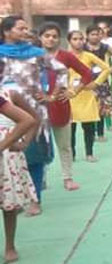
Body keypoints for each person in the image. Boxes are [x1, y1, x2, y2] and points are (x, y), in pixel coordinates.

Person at [0, 16, 68, 212]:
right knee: (8, 155)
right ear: (6, 31)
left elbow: (62, 71)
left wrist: (51, 95)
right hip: (5, 109)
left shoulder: (37, 53)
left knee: (33, 155)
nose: (25, 32)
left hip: (34, 109)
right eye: (20, 28)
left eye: (26, 28)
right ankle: (13, 198)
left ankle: (35, 199)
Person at [37, 23, 94, 192]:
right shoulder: (33, 56)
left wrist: (74, 91)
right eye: (47, 35)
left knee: (64, 145)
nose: (51, 39)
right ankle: (41, 179)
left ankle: (67, 178)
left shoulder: (66, 56)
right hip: (38, 107)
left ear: (59, 39)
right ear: (40, 37)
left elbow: (87, 73)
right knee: (40, 146)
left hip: (60, 105)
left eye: (54, 36)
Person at [67, 31, 112, 162]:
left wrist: (96, 83)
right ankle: (71, 154)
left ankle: (89, 153)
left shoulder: (88, 56)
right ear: (69, 41)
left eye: (80, 39)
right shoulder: (65, 57)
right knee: (70, 129)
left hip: (87, 93)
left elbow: (106, 68)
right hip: (71, 95)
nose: (78, 41)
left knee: (88, 127)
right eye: (74, 39)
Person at [0, 89, 38, 264]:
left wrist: (23, 143)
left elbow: (31, 118)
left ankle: (10, 246)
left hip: (7, 155)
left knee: (8, 204)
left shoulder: (10, 94)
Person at [84, 26, 112, 142]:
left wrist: (111, 69)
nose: (95, 37)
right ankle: (91, 134)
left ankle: (101, 133)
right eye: (92, 34)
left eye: (97, 34)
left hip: (101, 80)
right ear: (87, 35)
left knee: (101, 108)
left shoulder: (104, 47)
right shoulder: (83, 47)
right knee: (89, 107)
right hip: (87, 80)